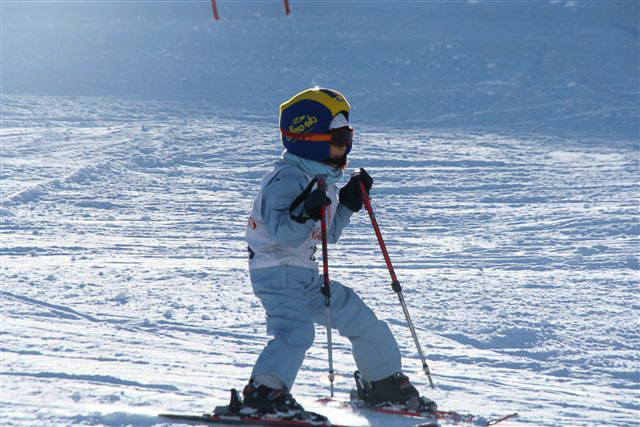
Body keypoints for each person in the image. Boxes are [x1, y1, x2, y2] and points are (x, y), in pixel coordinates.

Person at [241, 88, 435, 422]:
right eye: (339, 138)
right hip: (276, 271)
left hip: (305, 274)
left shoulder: (322, 179)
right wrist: (305, 211)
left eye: (349, 137)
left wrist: (346, 204)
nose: (346, 146)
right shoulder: (286, 179)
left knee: (359, 318)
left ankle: (381, 383)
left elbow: (325, 235)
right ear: (309, 139)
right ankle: (263, 396)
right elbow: (283, 234)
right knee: (295, 331)